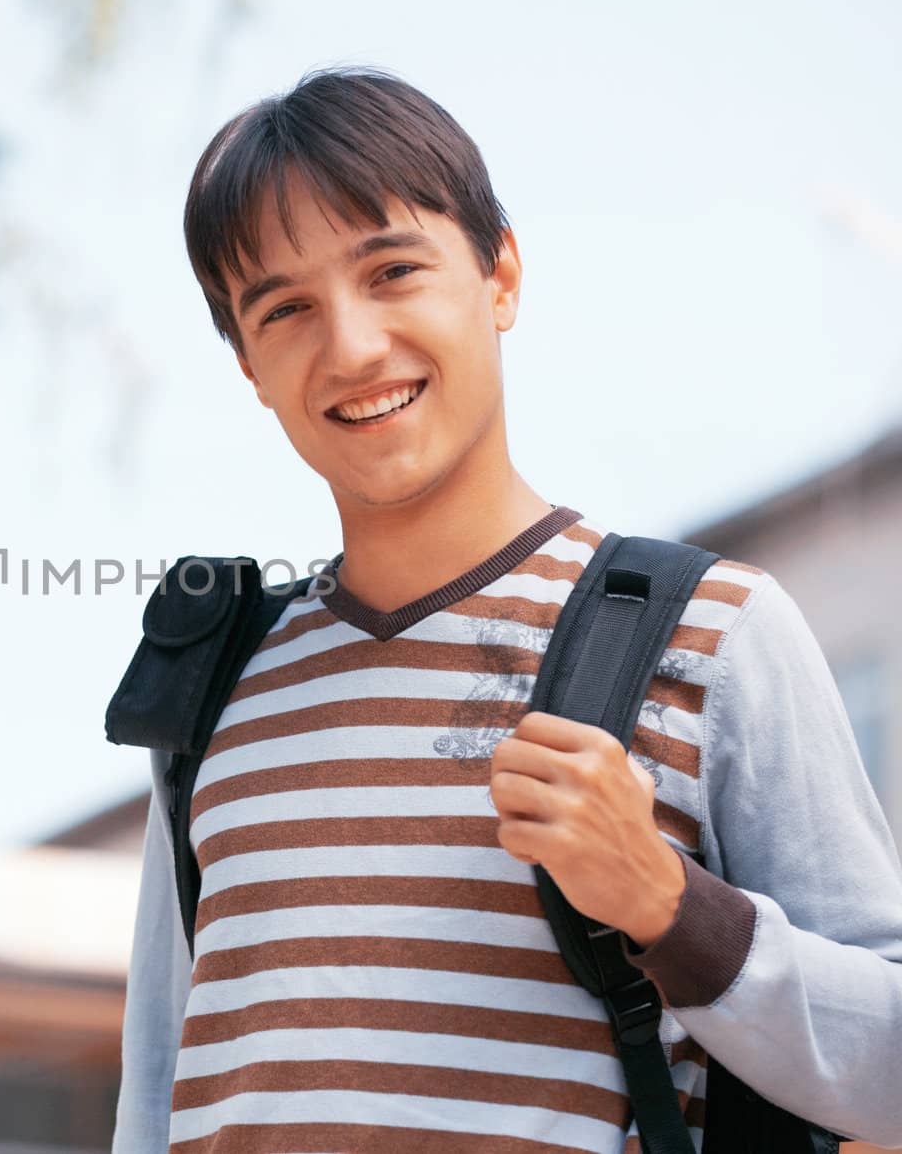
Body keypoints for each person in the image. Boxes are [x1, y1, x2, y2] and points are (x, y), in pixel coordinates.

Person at [111, 66, 902, 1153]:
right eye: (285, 307)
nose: (349, 346)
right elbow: (157, 1088)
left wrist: (668, 901)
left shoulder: (713, 634)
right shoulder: (216, 679)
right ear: (247, 362)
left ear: (501, 275)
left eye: (391, 270)